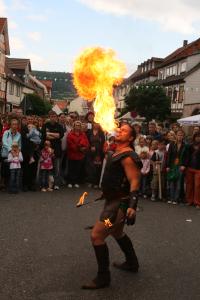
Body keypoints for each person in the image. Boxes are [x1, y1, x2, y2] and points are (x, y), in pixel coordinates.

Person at [82, 123, 142, 290]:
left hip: (119, 205)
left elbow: (135, 181)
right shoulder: (116, 151)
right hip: (111, 201)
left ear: (130, 138)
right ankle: (132, 262)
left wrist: (132, 206)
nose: (119, 131)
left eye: (123, 130)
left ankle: (103, 277)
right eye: (119, 129)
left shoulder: (128, 156)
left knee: (97, 236)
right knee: (115, 230)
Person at [41, 110, 64, 190]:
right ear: (49, 117)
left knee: (57, 168)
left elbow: (60, 135)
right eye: (51, 116)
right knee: (48, 168)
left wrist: (50, 134)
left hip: (57, 150)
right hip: (47, 151)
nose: (53, 118)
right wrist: (54, 135)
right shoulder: (45, 125)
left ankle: (56, 184)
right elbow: (45, 136)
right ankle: (48, 184)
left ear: (56, 117)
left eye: (54, 116)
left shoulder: (59, 126)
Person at [166, 129, 187, 205]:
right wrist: (167, 166)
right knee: (171, 182)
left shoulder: (185, 145)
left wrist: (184, 165)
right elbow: (169, 155)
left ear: (183, 136)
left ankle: (176, 199)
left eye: (181, 135)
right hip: (172, 165)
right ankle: (171, 198)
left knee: (178, 183)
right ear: (176, 136)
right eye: (178, 135)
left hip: (180, 166)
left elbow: (186, 157)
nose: (180, 136)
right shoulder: (172, 144)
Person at [67, 121, 89, 188]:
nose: (78, 126)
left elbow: (87, 142)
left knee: (77, 169)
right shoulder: (70, 134)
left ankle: (75, 181)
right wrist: (79, 148)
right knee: (71, 169)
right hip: (72, 154)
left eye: (79, 125)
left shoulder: (83, 134)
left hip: (80, 155)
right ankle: (70, 182)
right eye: (76, 125)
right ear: (74, 126)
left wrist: (84, 148)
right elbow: (70, 143)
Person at [1, 118, 21, 190]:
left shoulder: (19, 134)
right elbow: (4, 142)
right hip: (6, 154)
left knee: (12, 170)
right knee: (4, 169)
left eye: (16, 124)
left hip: (15, 155)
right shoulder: (6, 132)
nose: (15, 126)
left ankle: (11, 185)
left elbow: (20, 145)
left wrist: (18, 152)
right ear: (11, 125)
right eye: (13, 124)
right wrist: (10, 150)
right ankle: (3, 184)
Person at [86, 122, 105, 188]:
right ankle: (91, 181)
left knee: (97, 167)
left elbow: (103, 143)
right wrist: (90, 147)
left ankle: (96, 182)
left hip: (98, 153)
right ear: (93, 124)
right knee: (90, 167)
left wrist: (96, 148)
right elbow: (87, 141)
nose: (96, 125)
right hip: (90, 152)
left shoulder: (101, 133)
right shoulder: (89, 132)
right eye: (95, 123)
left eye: (98, 124)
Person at [185, 133, 200, 209]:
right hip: (190, 167)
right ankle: (189, 201)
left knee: (197, 186)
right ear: (194, 137)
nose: (198, 138)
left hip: (198, 169)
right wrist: (185, 166)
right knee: (189, 185)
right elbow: (187, 156)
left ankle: (197, 202)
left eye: (199, 137)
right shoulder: (190, 146)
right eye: (197, 137)